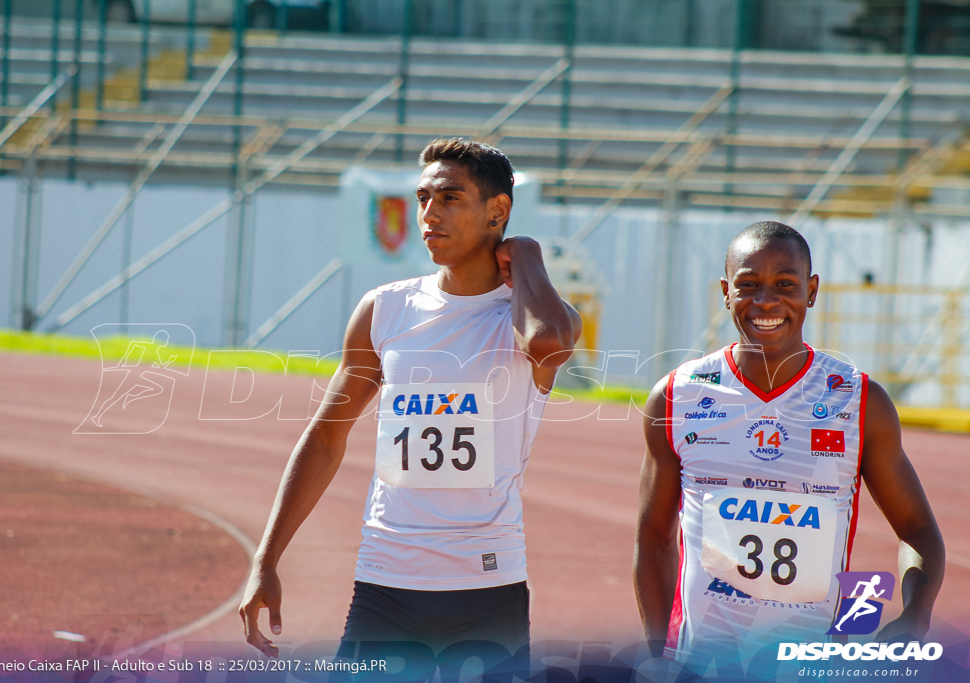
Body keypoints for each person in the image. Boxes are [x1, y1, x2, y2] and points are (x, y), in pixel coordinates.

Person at [239, 138, 581, 673]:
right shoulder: (386, 308)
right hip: (385, 579)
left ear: (498, 211)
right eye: (423, 198)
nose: (428, 214)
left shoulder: (528, 316)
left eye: (449, 198)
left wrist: (529, 255)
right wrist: (267, 556)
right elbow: (327, 436)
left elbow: (549, 345)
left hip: (486, 584)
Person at [634, 221, 945, 668]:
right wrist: (657, 655)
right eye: (748, 285)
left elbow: (918, 531)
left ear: (811, 290)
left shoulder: (859, 401)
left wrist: (915, 614)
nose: (766, 301)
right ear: (726, 291)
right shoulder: (678, 395)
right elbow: (653, 536)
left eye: (785, 284)